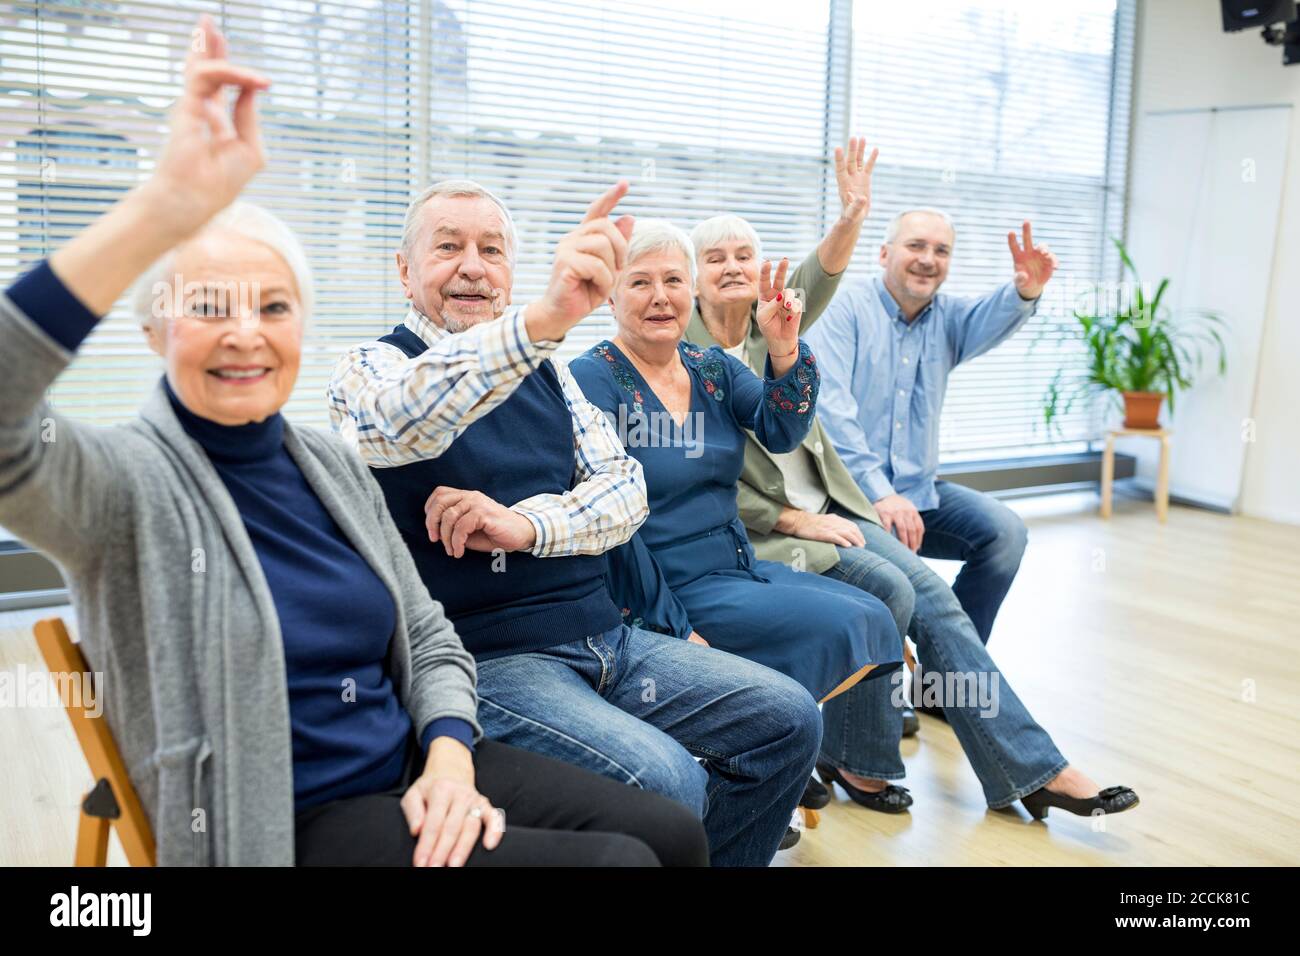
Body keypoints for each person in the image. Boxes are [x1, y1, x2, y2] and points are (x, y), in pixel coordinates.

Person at [0, 16, 712, 867]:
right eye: (207, 307)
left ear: (300, 327)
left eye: (272, 308)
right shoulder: (122, 484)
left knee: (672, 831)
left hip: (415, 765)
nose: (243, 334)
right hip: (282, 820)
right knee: (621, 863)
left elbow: (428, 633)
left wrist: (449, 752)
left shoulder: (323, 465)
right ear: (154, 331)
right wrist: (162, 211)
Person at [328, 180, 822, 867]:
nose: (473, 265)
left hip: (610, 638)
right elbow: (405, 419)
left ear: (508, 271)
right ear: (405, 271)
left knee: (789, 718)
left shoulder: (551, 375)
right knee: (668, 779)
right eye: (449, 248)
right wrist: (535, 324)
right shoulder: (370, 368)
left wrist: (523, 525)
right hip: (494, 663)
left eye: (491, 250)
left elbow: (625, 494)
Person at [688, 206, 1140, 820]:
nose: (733, 268)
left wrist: (854, 213)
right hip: (766, 532)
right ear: (690, 276)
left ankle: (991, 760)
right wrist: (793, 520)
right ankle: (983, 765)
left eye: (745, 255)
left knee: (934, 589)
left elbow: (822, 271)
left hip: (835, 506)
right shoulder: (682, 350)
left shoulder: (775, 321)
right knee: (903, 591)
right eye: (715, 259)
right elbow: (698, 472)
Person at [568, 219, 904, 722]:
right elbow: (609, 526)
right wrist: (673, 628)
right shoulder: (591, 376)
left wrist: (783, 348)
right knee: (843, 625)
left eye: (674, 280)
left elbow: (781, 429)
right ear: (610, 298)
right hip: (664, 587)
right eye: (640, 282)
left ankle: (768, 732)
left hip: (738, 566)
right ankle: (767, 731)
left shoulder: (712, 367)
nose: (661, 296)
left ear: (692, 290)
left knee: (874, 614)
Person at [805, 209, 1052, 647]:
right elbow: (832, 412)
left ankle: (942, 679)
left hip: (918, 495)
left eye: (941, 251)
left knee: (1006, 535)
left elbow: (992, 315)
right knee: (904, 584)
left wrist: (1025, 290)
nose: (928, 259)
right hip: (848, 499)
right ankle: (940, 671)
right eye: (916, 246)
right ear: (883, 253)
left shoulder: (948, 317)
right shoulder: (845, 307)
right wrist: (880, 493)